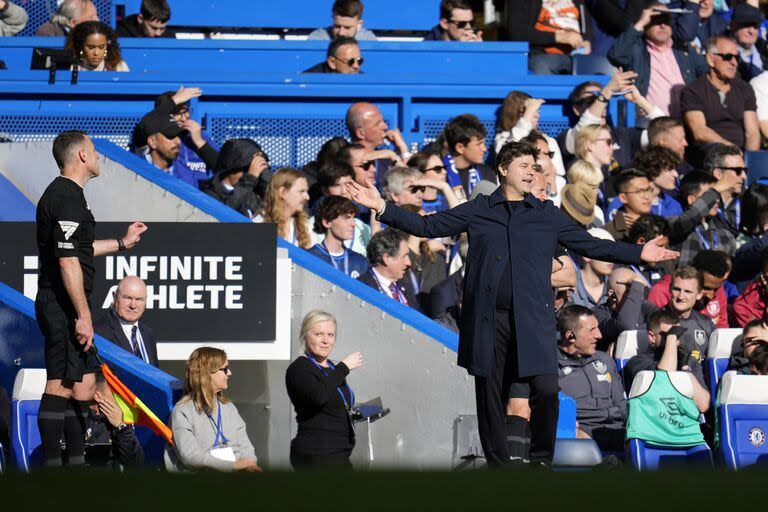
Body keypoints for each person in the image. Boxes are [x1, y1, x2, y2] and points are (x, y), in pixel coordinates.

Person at [346, 140, 678, 466]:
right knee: (489, 395)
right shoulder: (479, 209)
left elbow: (590, 245)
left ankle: (541, 459)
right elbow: (429, 226)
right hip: (489, 319)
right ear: (504, 170)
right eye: (524, 166)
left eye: (535, 167)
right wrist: (382, 207)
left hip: (532, 318)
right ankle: (499, 466)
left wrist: (639, 254)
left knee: (547, 390)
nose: (532, 173)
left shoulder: (547, 214)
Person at [35, 130, 147, 468]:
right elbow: (67, 261)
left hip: (69, 304)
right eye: (95, 150)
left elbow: (81, 250)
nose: (98, 156)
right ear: (82, 155)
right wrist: (83, 315)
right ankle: (54, 467)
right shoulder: (64, 195)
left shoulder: (75, 197)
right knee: (61, 383)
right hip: (61, 305)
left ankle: (78, 460)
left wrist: (122, 243)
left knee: (83, 386)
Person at [286, 310, 362, 469]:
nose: (326, 341)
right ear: (306, 336)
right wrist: (344, 368)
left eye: (331, 335)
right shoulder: (299, 368)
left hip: (340, 453)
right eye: (319, 334)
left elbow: (333, 402)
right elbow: (319, 396)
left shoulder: (332, 368)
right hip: (317, 455)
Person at [166, 348, 261, 472]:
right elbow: (191, 457)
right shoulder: (182, 412)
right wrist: (233, 466)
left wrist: (249, 465)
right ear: (207, 373)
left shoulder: (229, 408)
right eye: (225, 369)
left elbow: (246, 448)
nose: (230, 373)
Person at [608, 4, 706, 118]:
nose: (662, 25)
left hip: (687, 120)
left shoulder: (684, 48)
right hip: (651, 123)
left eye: (666, 20)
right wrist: (639, 23)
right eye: (656, 20)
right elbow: (616, 55)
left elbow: (706, 75)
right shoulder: (637, 48)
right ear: (646, 22)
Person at [680, 34, 760, 165]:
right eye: (728, 57)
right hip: (710, 155)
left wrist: (750, 161)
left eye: (736, 57)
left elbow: (753, 132)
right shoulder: (693, 91)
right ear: (711, 59)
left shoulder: (745, 89)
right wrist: (732, 150)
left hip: (742, 155)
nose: (734, 62)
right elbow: (700, 132)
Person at [556, 305, 627, 453]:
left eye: (598, 328)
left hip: (616, 430)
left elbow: (621, 404)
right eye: (592, 330)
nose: (599, 335)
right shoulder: (551, 365)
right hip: (582, 432)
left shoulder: (605, 360)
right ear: (571, 336)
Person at [622, 310, 710, 413]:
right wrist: (672, 337)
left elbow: (703, 405)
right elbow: (664, 378)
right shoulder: (638, 363)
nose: (675, 341)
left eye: (678, 335)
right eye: (669, 335)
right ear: (652, 337)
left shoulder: (687, 361)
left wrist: (685, 369)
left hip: (685, 424)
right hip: (655, 423)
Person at [494, 92, 566, 184]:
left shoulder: (548, 141)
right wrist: (526, 118)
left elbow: (559, 177)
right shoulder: (502, 138)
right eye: (529, 111)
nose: (536, 115)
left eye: (537, 110)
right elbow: (506, 151)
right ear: (514, 113)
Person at [648, 249, 731, 328]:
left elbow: (722, 328)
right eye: (705, 288)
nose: (710, 295)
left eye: (715, 289)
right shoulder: (661, 291)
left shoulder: (716, 288)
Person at [506, 0, 591, 75]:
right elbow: (518, 33)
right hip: (541, 55)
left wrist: (587, 41)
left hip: (576, 55)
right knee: (542, 63)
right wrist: (559, 37)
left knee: (599, 65)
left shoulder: (579, 2)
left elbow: (586, 26)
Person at [153, 90, 220, 180]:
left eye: (186, 111)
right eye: (177, 114)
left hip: (199, 192)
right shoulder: (156, 139)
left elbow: (223, 168)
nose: (184, 118)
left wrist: (200, 142)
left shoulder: (200, 137)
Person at [675, 170, 737, 266]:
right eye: (709, 195)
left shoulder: (726, 236)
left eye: (717, 195)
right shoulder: (680, 231)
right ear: (691, 200)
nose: (716, 200)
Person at [94, 276, 158, 367]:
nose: (133, 305)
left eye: (139, 299)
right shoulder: (98, 333)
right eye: (127, 298)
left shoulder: (148, 334)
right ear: (114, 297)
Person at [605, 146, 683, 220]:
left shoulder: (674, 206)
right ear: (653, 170)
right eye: (669, 169)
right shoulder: (622, 202)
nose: (676, 175)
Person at [200, 138, 269, 219]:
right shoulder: (210, 194)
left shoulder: (253, 192)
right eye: (248, 170)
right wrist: (249, 179)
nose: (255, 174)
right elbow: (224, 216)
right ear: (231, 170)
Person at [87, 374, 144, 468]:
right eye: (115, 391)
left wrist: (121, 426)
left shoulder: (119, 418)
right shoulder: (75, 415)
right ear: (97, 396)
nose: (120, 397)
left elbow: (136, 463)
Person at [592, 267, 656, 351]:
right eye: (631, 291)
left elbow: (663, 325)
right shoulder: (597, 314)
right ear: (612, 295)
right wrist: (637, 286)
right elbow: (626, 328)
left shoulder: (644, 306)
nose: (635, 296)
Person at [308, 196, 370, 278]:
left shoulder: (360, 261)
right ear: (327, 222)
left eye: (353, 218)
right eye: (346, 218)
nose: (353, 224)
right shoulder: (310, 258)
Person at [357, 228, 418, 309]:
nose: (409, 263)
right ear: (386, 258)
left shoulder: (406, 285)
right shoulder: (362, 287)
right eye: (404, 256)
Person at [441, 114, 495, 201]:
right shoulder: (440, 173)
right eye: (479, 144)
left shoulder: (487, 173)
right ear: (460, 148)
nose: (484, 149)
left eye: (484, 143)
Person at [258, 168, 312, 249]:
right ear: (283, 192)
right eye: (301, 191)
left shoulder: (306, 226)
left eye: (306, 191)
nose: (307, 197)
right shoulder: (258, 223)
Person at [702, 143, 746, 237]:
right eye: (738, 171)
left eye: (745, 171)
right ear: (718, 174)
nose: (744, 176)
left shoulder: (750, 200)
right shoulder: (703, 204)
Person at [345, 103, 410, 163]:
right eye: (377, 124)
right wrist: (404, 150)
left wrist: (401, 150)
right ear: (360, 133)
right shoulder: (348, 164)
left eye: (383, 121)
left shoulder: (383, 160)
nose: (385, 126)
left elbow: (408, 174)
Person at [569, 228, 615, 308]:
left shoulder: (616, 287)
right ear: (586, 256)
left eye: (613, 252)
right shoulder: (568, 286)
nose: (611, 258)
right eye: (604, 251)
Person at [604, 169, 654, 241]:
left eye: (648, 190)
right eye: (639, 191)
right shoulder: (608, 234)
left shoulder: (658, 225)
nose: (647, 196)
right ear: (623, 198)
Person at [65, 21, 129, 72]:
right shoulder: (72, 67)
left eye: (101, 47)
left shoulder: (119, 67)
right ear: (81, 46)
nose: (96, 53)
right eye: (91, 47)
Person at [729, 3, 768, 81]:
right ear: (732, 25)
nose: (751, 31)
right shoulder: (723, 53)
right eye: (746, 25)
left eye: (755, 26)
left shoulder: (763, 49)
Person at [308, 0, 376, 41]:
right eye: (337, 26)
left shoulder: (368, 39)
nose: (341, 33)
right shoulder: (318, 38)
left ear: (360, 24)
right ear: (333, 18)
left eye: (347, 27)